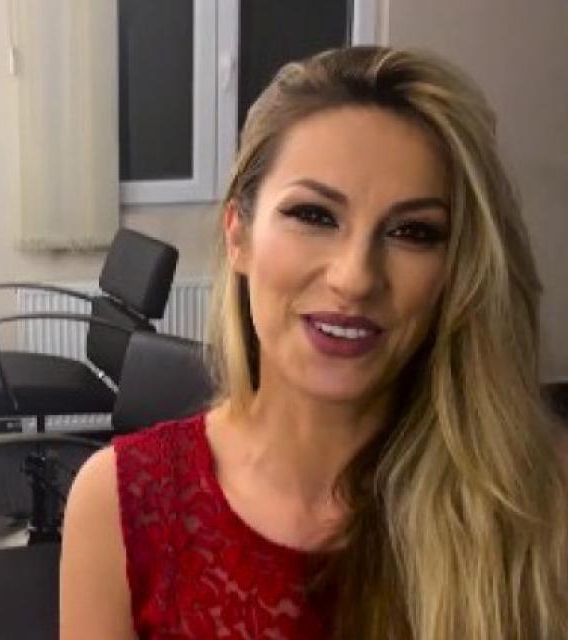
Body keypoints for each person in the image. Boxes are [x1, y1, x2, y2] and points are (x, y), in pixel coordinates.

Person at [59, 46, 568, 640]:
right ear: (239, 234)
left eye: (413, 231)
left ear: (456, 269)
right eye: (315, 215)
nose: (356, 278)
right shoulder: (119, 504)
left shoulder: (537, 500)